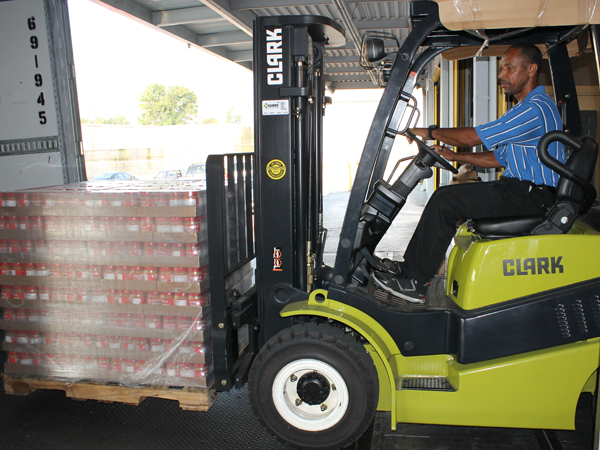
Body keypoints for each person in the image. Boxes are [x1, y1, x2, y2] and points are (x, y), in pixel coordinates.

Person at [372, 43, 566, 303]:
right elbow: (498, 157)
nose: (502, 74)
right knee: (448, 198)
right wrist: (456, 156)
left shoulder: (535, 109)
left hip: (531, 195)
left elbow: (474, 136)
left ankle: (414, 281)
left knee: (446, 200)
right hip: (523, 190)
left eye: (509, 67)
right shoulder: (525, 109)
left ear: (531, 69)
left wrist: (426, 131)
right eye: (502, 68)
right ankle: (410, 271)